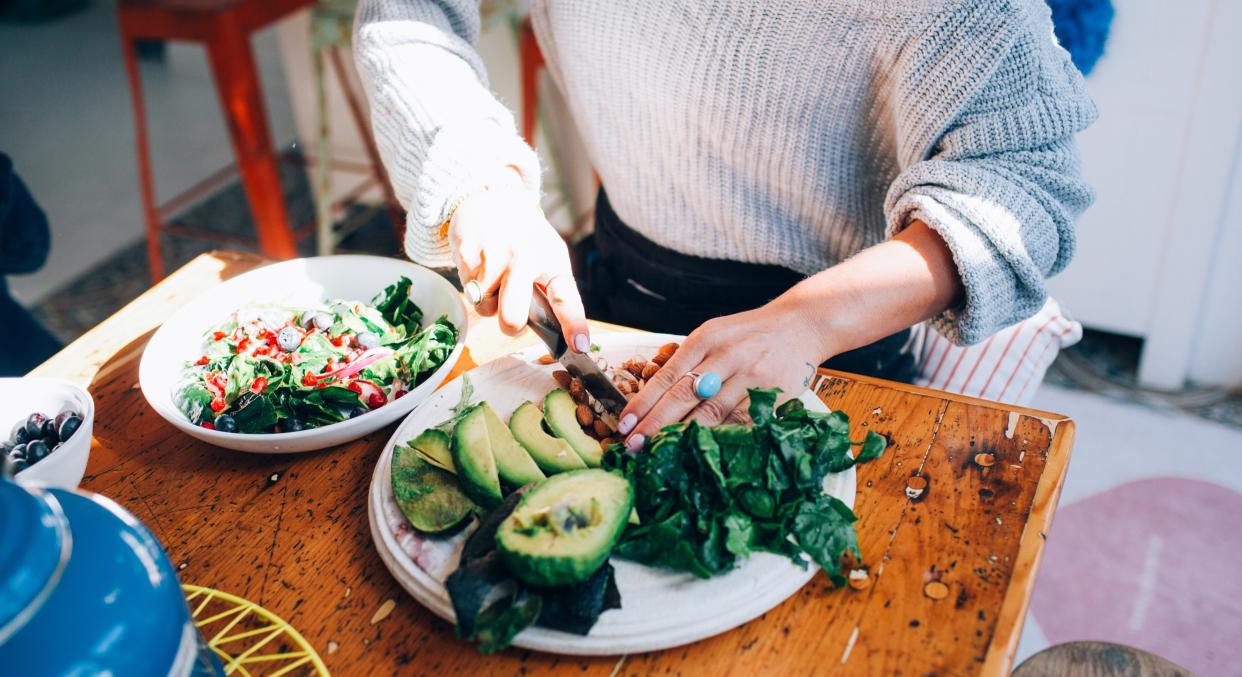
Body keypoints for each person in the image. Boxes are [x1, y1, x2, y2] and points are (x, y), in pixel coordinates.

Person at [353, 1, 1096, 452]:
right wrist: (478, 178)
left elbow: (1029, 181)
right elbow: (409, 10)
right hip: (615, 296)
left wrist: (807, 322)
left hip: (834, 355)